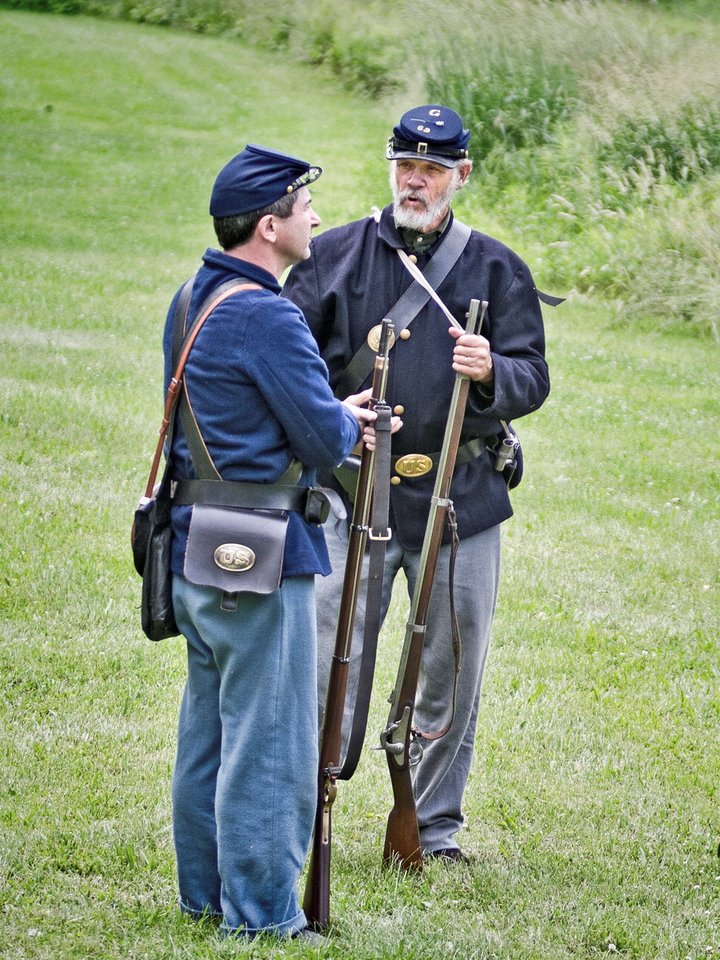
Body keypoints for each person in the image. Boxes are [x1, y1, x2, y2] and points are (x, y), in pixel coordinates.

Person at [282, 105, 550, 862]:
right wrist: (331, 412)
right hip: (350, 493)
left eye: (433, 169)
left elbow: (533, 375)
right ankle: (310, 806)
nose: (416, 180)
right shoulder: (331, 256)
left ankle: (434, 830)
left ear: (461, 175)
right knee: (329, 660)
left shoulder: (498, 268)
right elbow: (293, 366)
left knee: (451, 673)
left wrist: (494, 369)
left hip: (461, 500)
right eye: (406, 165)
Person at [162, 144, 379, 939]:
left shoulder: (194, 298)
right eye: (302, 208)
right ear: (268, 226)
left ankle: (204, 894)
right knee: (270, 743)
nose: (315, 218)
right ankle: (259, 915)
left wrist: (329, 412)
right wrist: (342, 419)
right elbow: (323, 441)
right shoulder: (269, 313)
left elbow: (239, 413)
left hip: (195, 545)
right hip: (260, 548)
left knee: (209, 733)